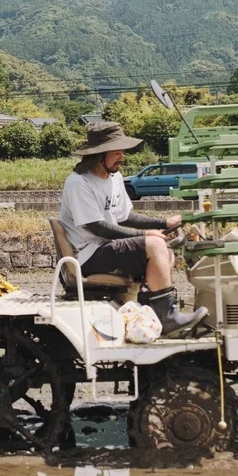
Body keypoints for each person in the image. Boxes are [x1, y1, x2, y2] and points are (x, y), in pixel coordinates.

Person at [60, 121, 208, 337]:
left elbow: (125, 216)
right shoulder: (79, 183)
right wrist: (146, 235)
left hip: (105, 247)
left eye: (122, 152)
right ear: (99, 154)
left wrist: (163, 223)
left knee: (164, 250)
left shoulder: (115, 178)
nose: (122, 157)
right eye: (117, 152)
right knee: (155, 245)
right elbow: (97, 226)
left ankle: (153, 312)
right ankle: (167, 317)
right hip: (87, 253)